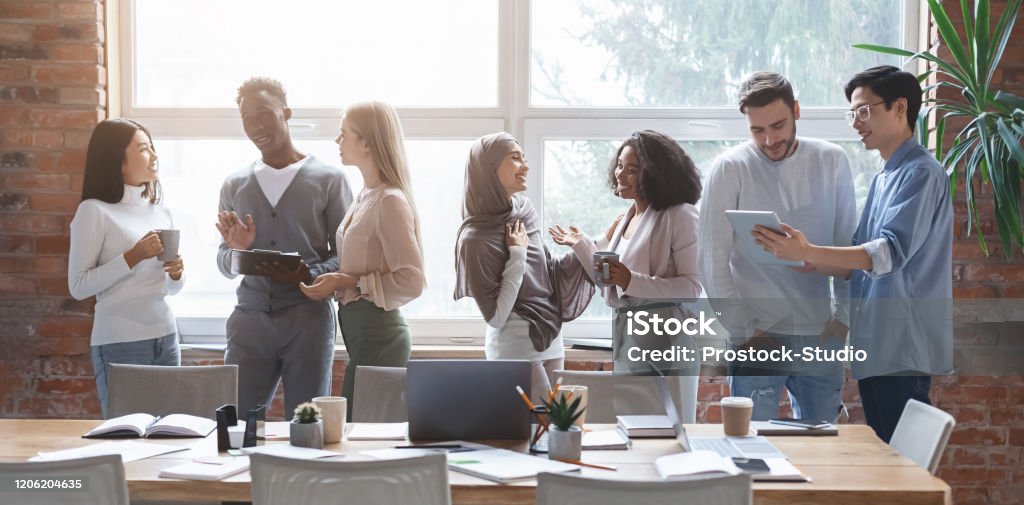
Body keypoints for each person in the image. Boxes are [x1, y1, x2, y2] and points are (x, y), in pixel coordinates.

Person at [753, 65, 953, 442]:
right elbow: (858, 262)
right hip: (877, 344)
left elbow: (887, 253)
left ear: (899, 108)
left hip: (903, 345)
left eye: (864, 111)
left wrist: (811, 250)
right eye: (852, 113)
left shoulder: (922, 173)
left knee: (900, 467)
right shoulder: (884, 177)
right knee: (885, 457)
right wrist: (804, 258)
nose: (856, 122)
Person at [697, 71, 857, 423]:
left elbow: (848, 249)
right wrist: (743, 330)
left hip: (820, 336)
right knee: (753, 448)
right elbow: (711, 258)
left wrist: (841, 325)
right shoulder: (729, 168)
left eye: (778, 126)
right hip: (758, 336)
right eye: (757, 130)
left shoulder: (832, 161)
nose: (769, 139)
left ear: (797, 110)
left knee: (824, 447)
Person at [216, 77, 352, 418]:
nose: (257, 125)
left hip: (308, 320)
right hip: (249, 321)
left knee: (307, 424)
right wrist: (237, 251)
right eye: (248, 118)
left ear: (286, 113)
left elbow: (347, 254)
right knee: (235, 427)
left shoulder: (329, 179)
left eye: (264, 113)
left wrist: (309, 273)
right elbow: (222, 260)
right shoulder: (234, 185)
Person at [549, 130, 704, 422]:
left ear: (656, 175)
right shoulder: (627, 218)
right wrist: (581, 244)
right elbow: (609, 280)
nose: (620, 174)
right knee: (633, 426)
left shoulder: (681, 215)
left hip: (667, 337)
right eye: (620, 165)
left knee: (670, 429)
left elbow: (692, 288)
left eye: (632, 170)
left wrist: (629, 280)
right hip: (629, 336)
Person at [300, 101, 424, 418]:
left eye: (344, 135)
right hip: (361, 336)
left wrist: (347, 281)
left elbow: (412, 281)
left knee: (362, 433)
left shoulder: (390, 201)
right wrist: (337, 283)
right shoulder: (365, 195)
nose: (337, 142)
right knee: (356, 430)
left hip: (380, 337)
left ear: (366, 142)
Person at [454, 132, 594, 401]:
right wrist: (516, 253)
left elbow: (547, 273)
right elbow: (496, 316)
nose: (525, 166)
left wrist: (583, 245)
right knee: (538, 430)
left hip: (552, 340)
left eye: (525, 158)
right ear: (489, 167)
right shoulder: (475, 238)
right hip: (515, 349)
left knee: (557, 431)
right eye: (515, 158)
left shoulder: (524, 211)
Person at [68, 118, 185, 418]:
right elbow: (79, 286)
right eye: (144, 149)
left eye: (152, 147)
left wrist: (176, 274)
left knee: (170, 438)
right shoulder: (94, 211)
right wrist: (132, 256)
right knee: (127, 440)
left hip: (167, 338)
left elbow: (168, 289)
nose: (154, 156)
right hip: (120, 344)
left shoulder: (161, 211)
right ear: (118, 161)